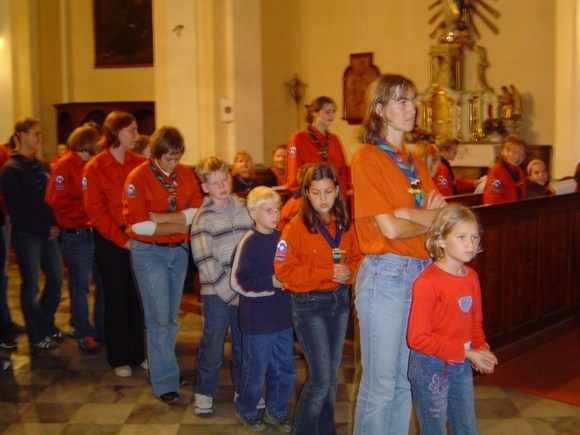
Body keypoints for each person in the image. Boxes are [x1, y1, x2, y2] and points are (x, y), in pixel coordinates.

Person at [350, 74, 446, 435]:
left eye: (412, 100)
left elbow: (443, 218)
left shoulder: (414, 162)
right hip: (386, 276)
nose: (411, 109)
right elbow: (389, 230)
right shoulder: (367, 158)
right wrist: (423, 218)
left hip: (419, 272)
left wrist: (408, 215)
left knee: (407, 379)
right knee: (381, 384)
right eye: (401, 101)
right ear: (379, 109)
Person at [274, 162, 362, 435]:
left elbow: (359, 258)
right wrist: (327, 272)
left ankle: (326, 430)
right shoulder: (295, 228)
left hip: (338, 303)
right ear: (307, 194)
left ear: (337, 191)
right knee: (321, 379)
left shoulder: (345, 224)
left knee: (331, 378)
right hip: (309, 305)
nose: (323, 199)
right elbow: (284, 272)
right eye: (316, 193)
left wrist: (350, 272)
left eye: (328, 191)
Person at [123, 126, 203, 403]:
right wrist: (179, 223)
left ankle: (164, 366)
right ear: (156, 154)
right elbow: (139, 226)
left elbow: (197, 212)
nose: (173, 164)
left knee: (170, 317)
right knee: (157, 319)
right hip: (150, 254)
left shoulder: (185, 174)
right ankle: (165, 381)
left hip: (177, 251)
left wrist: (163, 218)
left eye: (177, 158)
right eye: (169, 158)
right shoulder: (138, 178)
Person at [407, 204, 498, 434]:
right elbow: (417, 339)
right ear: (441, 241)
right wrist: (467, 353)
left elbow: (475, 323)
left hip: (461, 363)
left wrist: (481, 349)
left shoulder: (471, 277)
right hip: (431, 366)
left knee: (466, 426)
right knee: (434, 429)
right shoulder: (427, 283)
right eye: (461, 237)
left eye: (475, 237)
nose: (470, 244)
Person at [83, 111, 147, 377]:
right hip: (110, 239)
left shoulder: (139, 162)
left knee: (137, 295)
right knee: (116, 296)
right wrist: (123, 241)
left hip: (138, 233)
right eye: (131, 130)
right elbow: (96, 213)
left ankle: (138, 353)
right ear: (115, 133)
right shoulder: (95, 167)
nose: (136, 135)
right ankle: (119, 356)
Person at [191, 156, 253, 417]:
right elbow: (205, 260)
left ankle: (243, 389)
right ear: (205, 187)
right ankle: (204, 392)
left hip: (245, 291)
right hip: (216, 293)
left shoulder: (245, 208)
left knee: (243, 344)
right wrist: (229, 294)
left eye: (224, 179)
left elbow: (254, 245)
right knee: (213, 343)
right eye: (214, 183)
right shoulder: (203, 218)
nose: (221, 186)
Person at [230, 186, 295, 433]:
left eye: (277, 209)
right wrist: (271, 282)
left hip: (282, 317)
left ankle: (276, 410)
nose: (275, 215)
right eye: (269, 210)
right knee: (255, 370)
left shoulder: (282, 238)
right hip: (257, 320)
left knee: (284, 368)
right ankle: (247, 409)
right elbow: (237, 281)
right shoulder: (248, 242)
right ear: (253, 213)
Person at [0, 118, 63, 349]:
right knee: (32, 286)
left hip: (49, 232)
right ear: (22, 135)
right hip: (28, 235)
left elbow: (50, 199)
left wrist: (54, 224)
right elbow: (17, 210)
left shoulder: (41, 165)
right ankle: (37, 336)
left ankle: (45, 324)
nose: (40, 138)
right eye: (36, 134)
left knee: (56, 281)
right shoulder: (11, 169)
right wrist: (44, 228)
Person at [45, 124, 104, 352]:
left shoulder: (89, 164)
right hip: (76, 234)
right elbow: (55, 200)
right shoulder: (66, 165)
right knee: (81, 287)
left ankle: (100, 329)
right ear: (88, 143)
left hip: (92, 231)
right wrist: (84, 211)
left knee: (99, 283)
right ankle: (83, 332)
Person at [285, 96, 349, 195]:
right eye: (327, 112)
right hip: (310, 194)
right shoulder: (298, 138)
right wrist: (301, 193)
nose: (332, 116)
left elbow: (343, 170)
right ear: (314, 112)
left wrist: (342, 194)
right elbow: (293, 169)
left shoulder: (334, 139)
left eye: (333, 112)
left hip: (333, 194)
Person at [482, 136, 527, 205]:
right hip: (501, 209)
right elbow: (493, 200)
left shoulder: (519, 171)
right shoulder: (496, 170)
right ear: (504, 152)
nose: (519, 156)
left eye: (522, 154)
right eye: (515, 152)